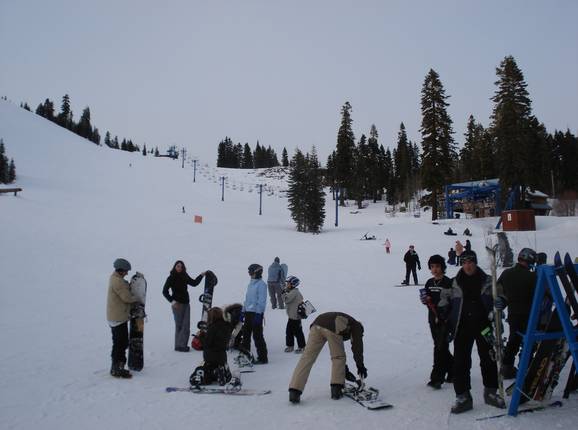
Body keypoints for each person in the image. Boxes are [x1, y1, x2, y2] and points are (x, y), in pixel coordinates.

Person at [438, 250, 505, 414]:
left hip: (484, 326)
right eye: (464, 263)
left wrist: (501, 301)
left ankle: (490, 392)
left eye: (470, 262)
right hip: (462, 327)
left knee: (489, 360)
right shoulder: (454, 283)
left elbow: (502, 294)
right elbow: (443, 299)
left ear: (475, 263)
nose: (467, 266)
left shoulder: (488, 281)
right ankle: (463, 396)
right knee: (460, 362)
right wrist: (443, 308)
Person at [288, 312, 366, 403]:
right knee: (338, 357)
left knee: (306, 358)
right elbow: (357, 348)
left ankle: (294, 391)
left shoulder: (346, 324)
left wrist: (344, 370)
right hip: (332, 325)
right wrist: (360, 366)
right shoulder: (357, 326)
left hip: (316, 325)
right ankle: (336, 390)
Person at [494, 248, 538, 379]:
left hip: (513, 314)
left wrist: (501, 300)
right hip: (530, 314)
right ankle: (525, 368)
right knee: (528, 343)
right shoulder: (533, 277)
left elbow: (498, 290)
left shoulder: (507, 273)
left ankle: (507, 367)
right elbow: (541, 295)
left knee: (513, 340)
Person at [419, 255, 454, 389]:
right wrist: (425, 300)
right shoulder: (429, 282)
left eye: (437, 266)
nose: (435, 269)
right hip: (433, 319)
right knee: (440, 346)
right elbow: (426, 300)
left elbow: (453, 302)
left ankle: (437, 377)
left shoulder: (448, 282)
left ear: (442, 267)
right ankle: (454, 370)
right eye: (432, 267)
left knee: (440, 347)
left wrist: (445, 314)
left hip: (445, 320)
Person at [107, 258, 140, 378]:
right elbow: (127, 298)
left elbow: (125, 289)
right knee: (120, 343)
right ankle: (117, 368)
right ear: (120, 270)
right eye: (126, 271)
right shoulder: (118, 281)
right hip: (118, 318)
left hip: (117, 317)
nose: (127, 273)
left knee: (120, 342)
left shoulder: (116, 279)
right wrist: (138, 298)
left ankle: (117, 366)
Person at [162, 260, 205, 352]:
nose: (179, 268)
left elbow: (194, 283)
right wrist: (172, 302)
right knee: (179, 325)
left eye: (181, 266)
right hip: (177, 305)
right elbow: (164, 291)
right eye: (178, 266)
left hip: (186, 304)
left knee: (186, 325)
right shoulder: (171, 277)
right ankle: (179, 346)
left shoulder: (184, 276)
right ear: (175, 267)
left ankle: (182, 345)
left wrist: (201, 275)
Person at [190, 307, 234, 385]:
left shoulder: (212, 327)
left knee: (205, 368)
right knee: (218, 361)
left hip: (210, 356)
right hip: (222, 356)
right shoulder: (227, 326)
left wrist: (200, 336)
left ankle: (213, 374)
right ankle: (220, 371)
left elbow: (206, 344)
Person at [241, 263, 268, 364]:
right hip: (248, 313)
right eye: (249, 272)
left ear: (257, 273)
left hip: (256, 314)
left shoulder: (261, 285)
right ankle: (245, 355)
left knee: (257, 336)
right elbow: (247, 299)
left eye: (251, 272)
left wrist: (258, 314)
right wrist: (243, 310)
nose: (250, 274)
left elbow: (262, 301)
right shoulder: (251, 284)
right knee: (246, 335)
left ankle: (263, 358)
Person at [282, 275, 306, 353]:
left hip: (295, 317)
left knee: (298, 332)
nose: (287, 285)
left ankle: (302, 347)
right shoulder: (293, 292)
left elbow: (286, 300)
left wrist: (283, 293)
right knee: (289, 332)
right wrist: (286, 291)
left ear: (293, 284)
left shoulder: (294, 292)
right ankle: (290, 346)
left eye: (288, 283)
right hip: (292, 316)